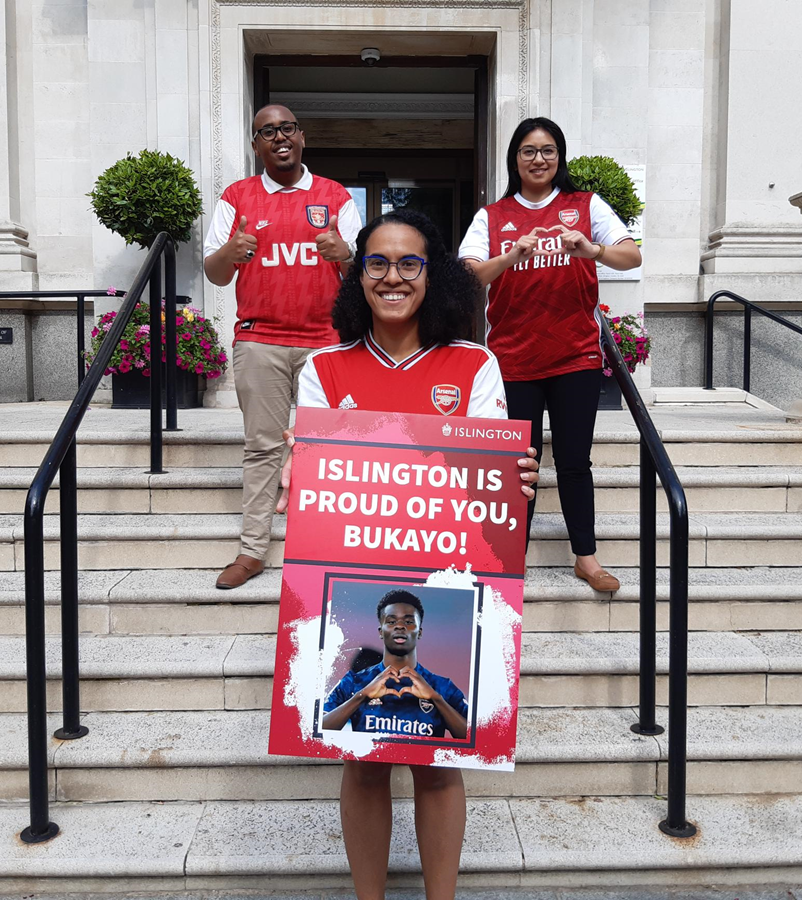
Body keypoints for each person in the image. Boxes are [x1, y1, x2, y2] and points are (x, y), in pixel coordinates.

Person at [277, 208, 539, 900]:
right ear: (358, 275)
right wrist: (295, 475)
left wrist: (512, 477)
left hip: (448, 580)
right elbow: (312, 467)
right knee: (362, 759)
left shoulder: (473, 363)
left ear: (434, 275)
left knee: (437, 759)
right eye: (377, 263)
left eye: (409, 263)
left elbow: (488, 477)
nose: (392, 276)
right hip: (351, 581)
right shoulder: (323, 369)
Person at [458, 117, 642, 593]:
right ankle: (508, 559)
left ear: (559, 156)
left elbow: (631, 256)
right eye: (528, 150)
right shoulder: (493, 216)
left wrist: (592, 248)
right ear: (514, 159)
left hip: (574, 358)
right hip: (514, 360)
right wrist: (510, 258)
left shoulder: (584, 206)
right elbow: (470, 276)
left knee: (575, 461)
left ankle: (587, 557)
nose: (538, 159)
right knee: (518, 463)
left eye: (547, 150)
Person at [203, 104, 363, 589]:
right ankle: (252, 551)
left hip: (326, 343)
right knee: (263, 449)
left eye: (287, 128)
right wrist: (228, 254)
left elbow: (366, 271)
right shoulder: (238, 196)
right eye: (266, 131)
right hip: (260, 341)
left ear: (302, 136)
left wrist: (348, 256)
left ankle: (336, 550)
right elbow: (215, 270)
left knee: (333, 450)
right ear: (256, 144)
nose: (279, 137)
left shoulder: (334, 196)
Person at [323, 590, 468, 740]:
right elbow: (314, 733)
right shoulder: (353, 682)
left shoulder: (443, 687)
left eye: (409, 622)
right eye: (391, 621)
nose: (400, 626)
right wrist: (362, 695)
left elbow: (480, 741)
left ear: (420, 632)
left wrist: (436, 699)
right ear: (381, 631)